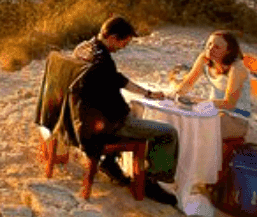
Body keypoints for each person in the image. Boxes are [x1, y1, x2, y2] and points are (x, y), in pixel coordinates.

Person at [73, 15, 179, 205]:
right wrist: (140, 101)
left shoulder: (85, 49)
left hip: (82, 119)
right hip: (107, 126)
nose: (124, 47)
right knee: (168, 133)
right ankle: (151, 181)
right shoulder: (103, 63)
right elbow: (114, 80)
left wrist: (148, 93)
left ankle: (110, 162)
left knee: (132, 110)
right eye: (124, 42)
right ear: (113, 37)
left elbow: (118, 79)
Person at [170, 30, 251, 140]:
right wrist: (174, 95)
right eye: (209, 44)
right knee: (177, 117)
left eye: (217, 47)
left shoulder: (237, 68)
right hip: (212, 111)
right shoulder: (204, 59)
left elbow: (229, 104)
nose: (210, 49)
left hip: (236, 119)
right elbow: (188, 83)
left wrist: (195, 101)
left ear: (228, 51)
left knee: (196, 127)